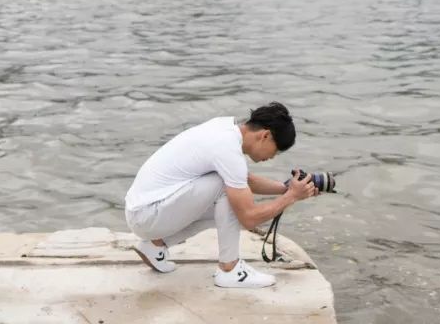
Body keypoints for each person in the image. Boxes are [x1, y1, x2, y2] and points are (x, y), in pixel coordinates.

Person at [124, 102, 318, 288]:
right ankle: (230, 269)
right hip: (147, 215)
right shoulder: (227, 149)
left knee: (227, 198)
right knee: (229, 194)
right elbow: (249, 218)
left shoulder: (223, 129)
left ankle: (155, 245)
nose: (272, 157)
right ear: (265, 135)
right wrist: (291, 197)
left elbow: (244, 179)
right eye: (275, 151)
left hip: (144, 211)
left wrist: (287, 188)